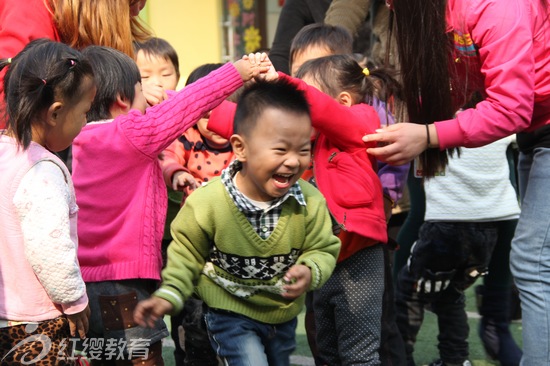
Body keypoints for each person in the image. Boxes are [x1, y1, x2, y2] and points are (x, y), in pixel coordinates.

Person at [363, 0, 550, 364]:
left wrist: (429, 135)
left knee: (533, 263)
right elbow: (463, 87)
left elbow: (511, 108)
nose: (387, 4)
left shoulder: (496, 6)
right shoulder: (447, 16)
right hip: (536, 134)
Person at [70, 46, 271, 365]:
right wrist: (239, 71)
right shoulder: (129, 133)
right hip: (122, 284)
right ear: (122, 100)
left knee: (110, 357)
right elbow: (188, 104)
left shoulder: (75, 138)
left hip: (83, 283)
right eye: (141, 89)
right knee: (142, 357)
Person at [134, 78, 341, 366]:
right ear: (240, 147)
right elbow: (186, 255)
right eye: (280, 150)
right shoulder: (207, 203)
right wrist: (170, 293)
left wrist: (310, 269)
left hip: (281, 316)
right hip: (228, 312)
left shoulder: (310, 202)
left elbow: (323, 247)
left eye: (303, 150)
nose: (293, 162)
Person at [0, 39, 94, 364]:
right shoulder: (42, 171)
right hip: (33, 323)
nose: (85, 122)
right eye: (83, 112)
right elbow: (50, 250)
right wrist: (74, 300)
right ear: (55, 113)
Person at [395, 136, 521, 366]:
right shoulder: (497, 115)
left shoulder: (433, 117)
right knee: (451, 293)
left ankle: (399, 358)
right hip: (491, 226)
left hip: (444, 222)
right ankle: (455, 359)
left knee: (409, 293)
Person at [160, 62, 235, 366]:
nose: (213, 123)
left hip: (230, 251)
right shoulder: (189, 138)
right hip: (192, 248)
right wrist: (176, 172)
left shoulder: (243, 145)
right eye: (205, 114)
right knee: (188, 319)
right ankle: (186, 353)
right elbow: (167, 155)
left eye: (222, 113)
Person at [0, 0, 153, 129]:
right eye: (132, 3)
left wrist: (134, 91)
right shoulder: (28, 9)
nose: (138, 11)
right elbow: (11, 103)